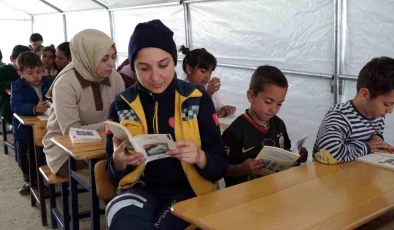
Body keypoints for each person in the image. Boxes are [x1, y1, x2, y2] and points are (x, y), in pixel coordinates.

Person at [105, 19, 228, 230]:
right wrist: (119, 162)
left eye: (163, 65)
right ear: (132, 67)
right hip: (139, 190)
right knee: (120, 214)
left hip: (189, 190)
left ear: (174, 62)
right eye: (143, 68)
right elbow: (112, 173)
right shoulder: (121, 104)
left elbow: (220, 165)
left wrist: (200, 157)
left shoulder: (197, 99)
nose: (155, 77)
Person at [42, 29, 125, 176]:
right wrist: (109, 126)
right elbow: (72, 131)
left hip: (106, 145)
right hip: (65, 152)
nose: (111, 64)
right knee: (106, 172)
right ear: (87, 57)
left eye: (113, 57)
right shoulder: (65, 84)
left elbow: (122, 118)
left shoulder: (116, 78)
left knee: (130, 165)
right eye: (104, 59)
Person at [223, 66, 308, 187]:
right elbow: (220, 169)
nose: (273, 109)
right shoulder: (236, 131)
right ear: (251, 96)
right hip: (242, 196)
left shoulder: (279, 125)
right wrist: (240, 169)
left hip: (272, 192)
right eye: (268, 102)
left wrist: (296, 157)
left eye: (279, 104)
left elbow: (285, 154)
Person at [314, 57, 394, 164]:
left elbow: (371, 137)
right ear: (365, 94)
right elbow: (328, 153)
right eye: (387, 104)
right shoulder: (339, 116)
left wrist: (376, 139)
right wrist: (368, 147)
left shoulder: (377, 115)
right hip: (328, 175)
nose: (390, 111)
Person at [11, 51, 52, 195]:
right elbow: (16, 106)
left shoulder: (48, 83)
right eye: (30, 73)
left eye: (39, 71)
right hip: (24, 129)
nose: (36, 76)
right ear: (20, 73)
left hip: (44, 126)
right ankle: (28, 180)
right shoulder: (17, 86)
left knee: (41, 153)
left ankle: (41, 179)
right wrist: (34, 108)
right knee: (24, 155)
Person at [180, 45, 236, 117]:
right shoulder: (182, 91)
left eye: (210, 72)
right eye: (203, 71)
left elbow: (216, 110)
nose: (207, 76)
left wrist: (223, 110)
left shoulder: (207, 88)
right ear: (189, 69)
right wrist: (208, 94)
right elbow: (192, 117)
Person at [0, 45, 31, 123]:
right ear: (11, 59)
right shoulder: (3, 70)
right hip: (8, 107)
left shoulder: (29, 71)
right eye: (20, 61)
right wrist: (16, 83)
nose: (23, 64)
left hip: (27, 103)